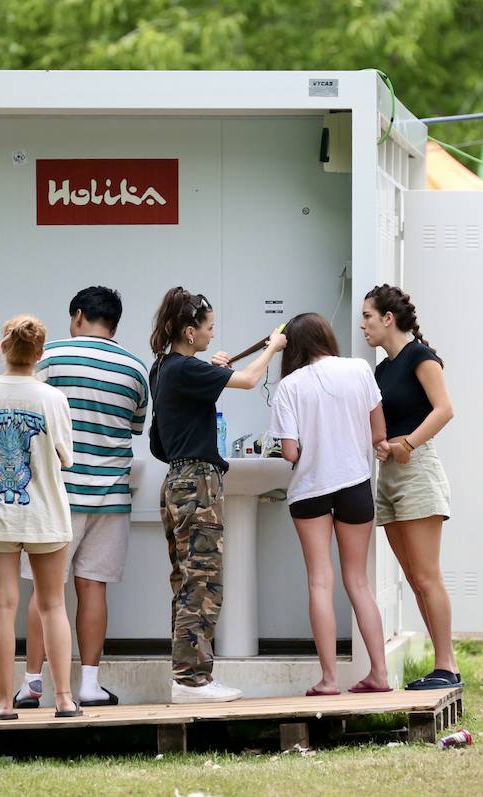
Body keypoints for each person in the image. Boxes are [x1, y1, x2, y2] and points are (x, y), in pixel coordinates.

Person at [13, 287, 149, 709]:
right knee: (93, 588)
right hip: (110, 496)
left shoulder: (49, 357)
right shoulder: (135, 369)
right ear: (114, 323)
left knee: (45, 590)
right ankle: (89, 683)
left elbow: (25, 412)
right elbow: (135, 427)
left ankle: (32, 683)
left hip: (56, 495)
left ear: (77, 316)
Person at [148, 287, 286, 704]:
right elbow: (248, 380)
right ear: (189, 331)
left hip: (175, 481)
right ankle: (192, 681)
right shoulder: (185, 369)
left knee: (186, 581)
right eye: (208, 328)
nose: (212, 334)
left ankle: (188, 675)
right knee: (203, 582)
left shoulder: (163, 368)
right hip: (198, 482)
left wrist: (212, 370)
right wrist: (273, 347)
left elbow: (158, 442)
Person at [268, 312, 392, 697]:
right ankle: (379, 674)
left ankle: (329, 680)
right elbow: (379, 432)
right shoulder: (359, 370)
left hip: (310, 490)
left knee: (320, 581)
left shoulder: (289, 386)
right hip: (355, 483)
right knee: (359, 582)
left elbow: (290, 452)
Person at [0, 315, 79, 720]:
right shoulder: (53, 399)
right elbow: (65, 456)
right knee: (53, 605)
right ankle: (64, 699)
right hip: (44, 511)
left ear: (3, 347)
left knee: (1, 605)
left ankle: (3, 702)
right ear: (40, 353)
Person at [360, 285, 459, 691]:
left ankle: (447, 667)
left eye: (367, 316)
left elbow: (445, 409)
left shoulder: (420, 356)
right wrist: (385, 444)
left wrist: (408, 444)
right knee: (414, 578)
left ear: (388, 318)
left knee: (427, 575)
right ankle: (442, 666)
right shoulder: (382, 370)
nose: (363, 325)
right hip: (390, 473)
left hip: (417, 470)